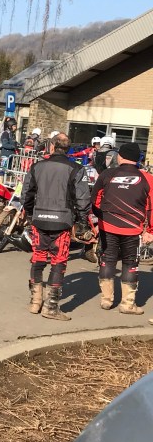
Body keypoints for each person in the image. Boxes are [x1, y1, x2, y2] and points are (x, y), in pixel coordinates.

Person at [20, 133, 91, 320]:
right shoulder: (76, 169)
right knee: (58, 262)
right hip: (62, 222)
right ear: (68, 148)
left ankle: (35, 302)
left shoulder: (37, 166)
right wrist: (82, 221)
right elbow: (83, 199)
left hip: (39, 220)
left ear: (52, 146)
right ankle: (51, 307)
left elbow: (26, 194)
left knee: (38, 258)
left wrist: (30, 214)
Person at [91, 142, 153, 316]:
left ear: (120, 157)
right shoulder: (147, 178)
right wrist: (150, 230)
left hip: (108, 225)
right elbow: (151, 207)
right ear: (138, 159)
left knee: (107, 259)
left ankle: (106, 300)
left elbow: (95, 199)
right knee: (130, 262)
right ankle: (127, 304)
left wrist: (100, 219)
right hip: (133, 228)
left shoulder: (107, 174)